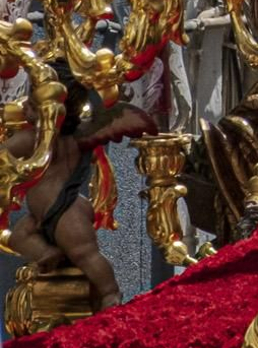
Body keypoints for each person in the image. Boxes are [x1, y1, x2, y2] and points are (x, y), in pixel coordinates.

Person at [6, 71, 155, 310]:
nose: (25, 108)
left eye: (32, 106)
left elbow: (4, 153)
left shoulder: (33, 140)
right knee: (18, 237)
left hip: (66, 211)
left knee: (86, 254)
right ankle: (49, 253)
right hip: (44, 215)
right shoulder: (76, 138)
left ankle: (110, 292)